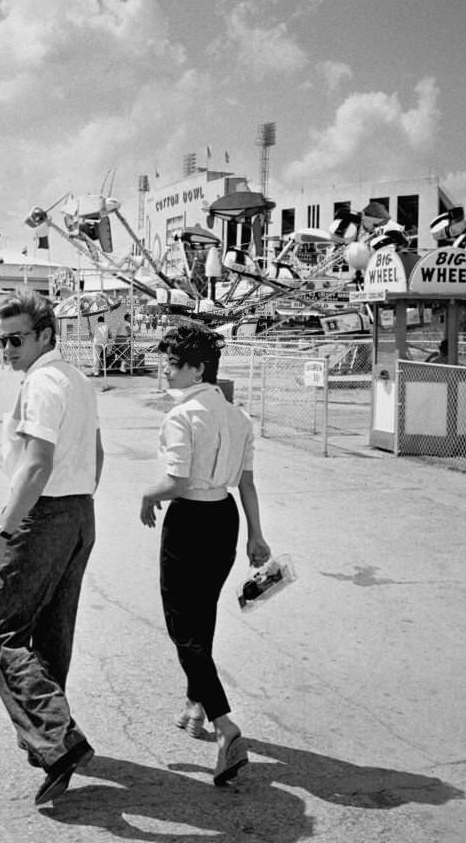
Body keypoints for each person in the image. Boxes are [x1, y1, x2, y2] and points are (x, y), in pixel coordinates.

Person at [0, 290, 104, 807]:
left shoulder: (43, 384)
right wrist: (76, 506)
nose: (6, 348)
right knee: (52, 632)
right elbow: (96, 453)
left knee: (3, 632)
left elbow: (36, 464)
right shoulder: (75, 378)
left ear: (45, 336)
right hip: (77, 513)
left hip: (43, 516)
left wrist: (4, 532)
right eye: (0, 339)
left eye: (15, 339)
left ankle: (58, 739)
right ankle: (49, 743)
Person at [140, 325, 271, 788]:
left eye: (174, 363)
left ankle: (225, 723)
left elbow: (175, 482)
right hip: (226, 519)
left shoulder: (183, 415)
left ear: (198, 368)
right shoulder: (238, 417)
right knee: (203, 617)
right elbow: (247, 483)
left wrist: (145, 496)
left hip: (190, 520)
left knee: (181, 625)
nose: (167, 369)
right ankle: (195, 703)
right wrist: (257, 536)